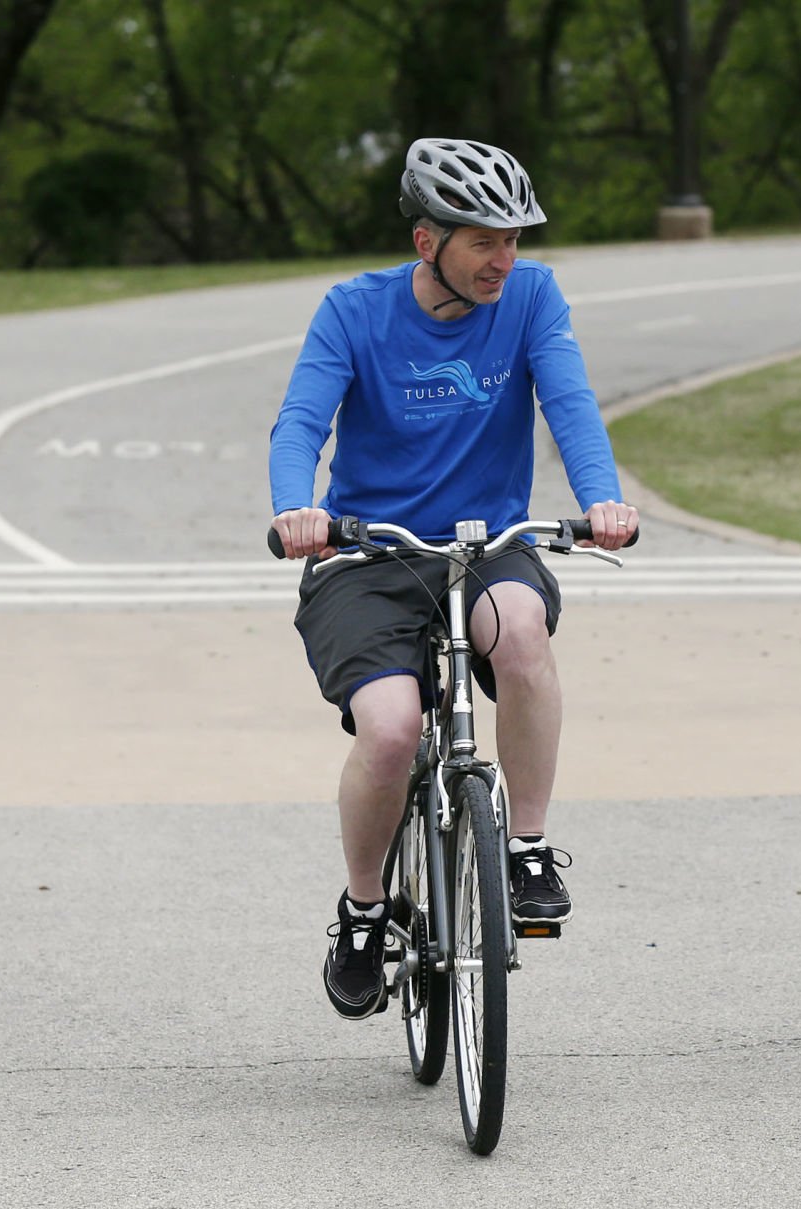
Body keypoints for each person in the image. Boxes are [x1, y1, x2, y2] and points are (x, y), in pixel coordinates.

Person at [269, 137, 638, 1019]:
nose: (505, 260)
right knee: (392, 730)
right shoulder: (353, 310)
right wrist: (297, 511)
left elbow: (571, 403)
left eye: (513, 239)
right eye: (484, 241)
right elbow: (298, 425)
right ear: (429, 240)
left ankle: (528, 848)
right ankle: (364, 911)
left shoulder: (533, 299)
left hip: (487, 542)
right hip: (367, 553)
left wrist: (604, 500)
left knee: (521, 635)